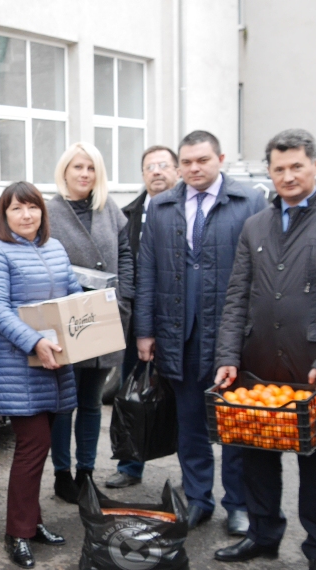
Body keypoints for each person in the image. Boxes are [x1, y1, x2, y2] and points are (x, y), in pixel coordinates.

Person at [213, 129, 316, 570]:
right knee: (257, 459)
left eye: (296, 166)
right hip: (257, 365)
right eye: (279, 168)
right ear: (269, 171)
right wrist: (227, 356)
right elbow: (236, 296)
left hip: (315, 369)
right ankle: (263, 536)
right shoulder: (255, 226)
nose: (288, 176)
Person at [134, 130, 267, 532]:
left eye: (202, 160)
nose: (194, 168)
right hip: (180, 334)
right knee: (190, 423)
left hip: (233, 337)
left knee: (235, 424)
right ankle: (197, 498)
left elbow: (261, 274)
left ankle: (239, 504)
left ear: (220, 159)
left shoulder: (249, 202)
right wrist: (145, 331)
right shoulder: (161, 206)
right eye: (187, 162)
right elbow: (148, 272)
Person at [0, 181, 78, 569]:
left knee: (42, 447)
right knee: (32, 447)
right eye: (16, 209)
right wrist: (34, 342)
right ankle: (17, 533)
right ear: (3, 215)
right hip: (19, 365)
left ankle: (33, 524)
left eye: (32, 207)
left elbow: (70, 294)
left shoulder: (54, 247)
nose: (26, 215)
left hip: (55, 363)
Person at [46, 142, 132, 502]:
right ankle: (62, 474)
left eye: (91, 168)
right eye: (78, 167)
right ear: (65, 170)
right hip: (68, 318)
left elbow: (126, 253)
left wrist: (124, 298)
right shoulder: (50, 210)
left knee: (93, 401)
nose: (84, 174)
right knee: (65, 401)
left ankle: (87, 473)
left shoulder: (109, 209)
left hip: (106, 316)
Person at [105, 145, 180, 490]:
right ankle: (130, 465)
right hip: (137, 324)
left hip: (182, 322)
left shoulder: (190, 212)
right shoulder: (128, 215)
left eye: (164, 165)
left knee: (184, 399)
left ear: (177, 171)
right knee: (132, 395)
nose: (157, 172)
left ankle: (193, 476)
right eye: (150, 166)